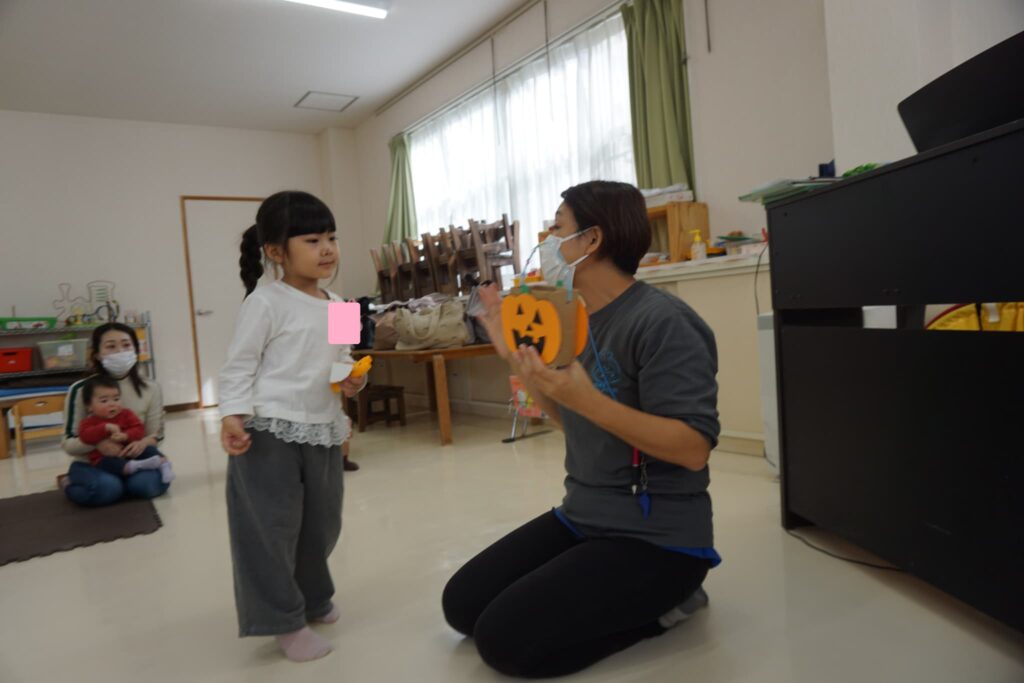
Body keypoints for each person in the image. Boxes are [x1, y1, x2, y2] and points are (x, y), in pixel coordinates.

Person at [442, 180, 722, 678]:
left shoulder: (664, 322)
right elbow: (572, 419)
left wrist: (586, 399)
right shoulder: (574, 320)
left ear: (592, 240)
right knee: (461, 606)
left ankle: (670, 606)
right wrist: (521, 364)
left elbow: (692, 449)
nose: (547, 242)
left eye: (557, 228)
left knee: (503, 643)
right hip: (584, 515)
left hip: (658, 539)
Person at [218, 190, 366, 663]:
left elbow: (343, 362)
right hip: (268, 430)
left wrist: (352, 382)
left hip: (321, 428)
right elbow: (239, 365)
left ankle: (314, 598)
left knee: (322, 523)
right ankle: (281, 620)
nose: (327, 249)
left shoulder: (342, 305)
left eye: (331, 238)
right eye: (312, 240)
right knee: (271, 529)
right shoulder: (265, 302)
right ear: (276, 251)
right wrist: (231, 414)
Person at [61, 322, 170, 506]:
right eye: (111, 346)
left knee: (146, 486)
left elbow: (156, 435)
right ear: (97, 354)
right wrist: (98, 443)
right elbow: (68, 443)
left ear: (136, 350)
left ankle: (121, 482)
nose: (120, 351)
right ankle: (70, 482)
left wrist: (142, 443)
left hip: (135, 459)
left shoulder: (151, 388)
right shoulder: (80, 390)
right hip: (94, 462)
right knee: (108, 489)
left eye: (126, 345)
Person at [77, 375, 174, 482]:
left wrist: (126, 436)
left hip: (131, 452)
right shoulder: (89, 421)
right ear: (89, 406)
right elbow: (84, 436)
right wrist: (104, 428)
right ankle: (136, 466)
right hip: (106, 457)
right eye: (104, 401)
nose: (112, 404)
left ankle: (164, 465)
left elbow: (139, 429)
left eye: (116, 399)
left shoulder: (126, 414)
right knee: (106, 464)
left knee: (149, 450)